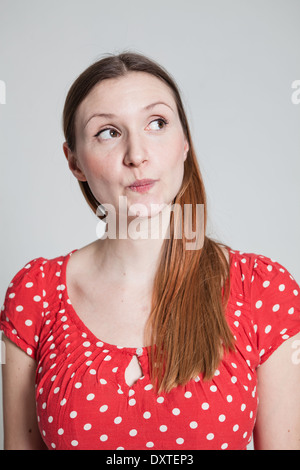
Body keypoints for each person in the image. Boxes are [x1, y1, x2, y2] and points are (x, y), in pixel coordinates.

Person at [1, 51, 300, 451]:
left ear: (184, 142)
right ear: (73, 161)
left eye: (157, 123)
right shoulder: (34, 295)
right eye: (108, 132)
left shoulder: (262, 291)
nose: (137, 154)